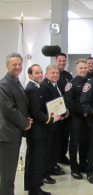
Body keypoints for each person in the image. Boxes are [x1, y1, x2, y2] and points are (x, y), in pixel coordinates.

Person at [24, 64, 59, 195]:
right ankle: (35, 189)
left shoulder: (34, 87)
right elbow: (36, 112)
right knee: (36, 161)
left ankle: (31, 185)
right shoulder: (32, 89)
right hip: (37, 131)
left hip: (36, 130)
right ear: (30, 75)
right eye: (36, 73)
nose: (39, 75)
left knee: (33, 159)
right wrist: (50, 119)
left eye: (40, 72)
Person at [0, 53, 32, 195]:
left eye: (20, 64)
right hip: (7, 134)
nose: (18, 67)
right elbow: (10, 109)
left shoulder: (16, 81)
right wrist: (25, 123)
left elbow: (20, 105)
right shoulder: (4, 84)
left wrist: (27, 118)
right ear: (7, 66)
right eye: (14, 64)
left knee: (10, 170)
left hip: (13, 132)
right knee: (7, 172)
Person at [40, 64, 69, 184]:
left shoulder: (56, 85)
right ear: (47, 74)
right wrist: (62, 114)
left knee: (54, 148)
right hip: (50, 123)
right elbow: (48, 105)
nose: (55, 75)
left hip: (57, 123)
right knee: (47, 149)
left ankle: (51, 168)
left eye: (57, 73)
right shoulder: (44, 87)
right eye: (53, 73)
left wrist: (65, 112)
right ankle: (44, 174)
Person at [64, 59, 89, 180]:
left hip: (87, 117)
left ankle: (83, 164)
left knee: (85, 142)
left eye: (85, 68)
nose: (83, 70)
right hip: (76, 117)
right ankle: (74, 168)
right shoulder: (71, 83)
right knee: (74, 142)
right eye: (81, 68)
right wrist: (83, 111)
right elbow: (69, 102)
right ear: (76, 69)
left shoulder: (90, 82)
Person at [56, 53, 73, 165]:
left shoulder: (68, 76)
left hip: (66, 111)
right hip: (56, 111)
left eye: (64, 61)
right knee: (55, 137)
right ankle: (54, 159)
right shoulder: (52, 73)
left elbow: (70, 93)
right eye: (60, 61)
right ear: (56, 61)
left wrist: (68, 110)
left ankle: (62, 156)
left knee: (65, 136)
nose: (62, 63)